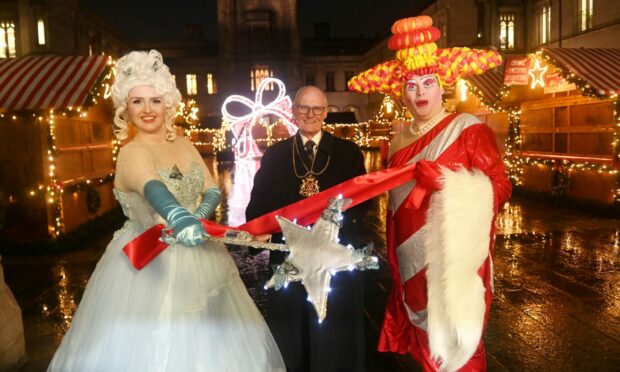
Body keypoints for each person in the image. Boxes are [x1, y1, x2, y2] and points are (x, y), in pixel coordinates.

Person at [48, 50, 284, 371]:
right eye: (137, 102)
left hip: (200, 251)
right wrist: (178, 215)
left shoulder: (184, 143)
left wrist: (199, 215)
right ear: (125, 108)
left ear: (168, 104)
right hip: (147, 261)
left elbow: (212, 188)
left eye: (155, 100)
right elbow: (153, 189)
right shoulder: (131, 153)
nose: (147, 110)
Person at [349, 16, 511, 372]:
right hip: (408, 259)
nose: (420, 92)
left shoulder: (467, 130)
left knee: (459, 344)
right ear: (400, 92)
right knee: (425, 345)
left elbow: (501, 186)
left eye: (428, 83)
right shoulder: (398, 140)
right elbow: (395, 206)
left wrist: (447, 182)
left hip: (451, 258)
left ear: (443, 88)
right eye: (411, 85)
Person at [246, 85, 369, 372]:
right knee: (293, 329)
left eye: (317, 108)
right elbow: (259, 202)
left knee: (331, 332)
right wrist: (257, 228)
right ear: (294, 111)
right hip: (290, 258)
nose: (310, 114)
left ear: (325, 112)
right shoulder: (276, 155)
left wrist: (329, 226)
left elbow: (362, 203)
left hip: (332, 260)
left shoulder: (347, 153)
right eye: (304, 107)